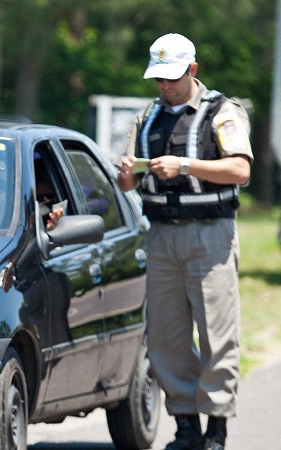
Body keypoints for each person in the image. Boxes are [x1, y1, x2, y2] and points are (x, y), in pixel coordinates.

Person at [117, 33, 252, 450]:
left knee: (217, 333)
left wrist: (187, 165)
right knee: (166, 338)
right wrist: (126, 173)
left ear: (193, 69)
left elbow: (240, 170)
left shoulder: (222, 112)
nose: (164, 86)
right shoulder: (146, 118)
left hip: (210, 235)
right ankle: (185, 426)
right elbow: (128, 182)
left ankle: (216, 429)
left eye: (172, 77)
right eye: (158, 79)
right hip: (161, 238)